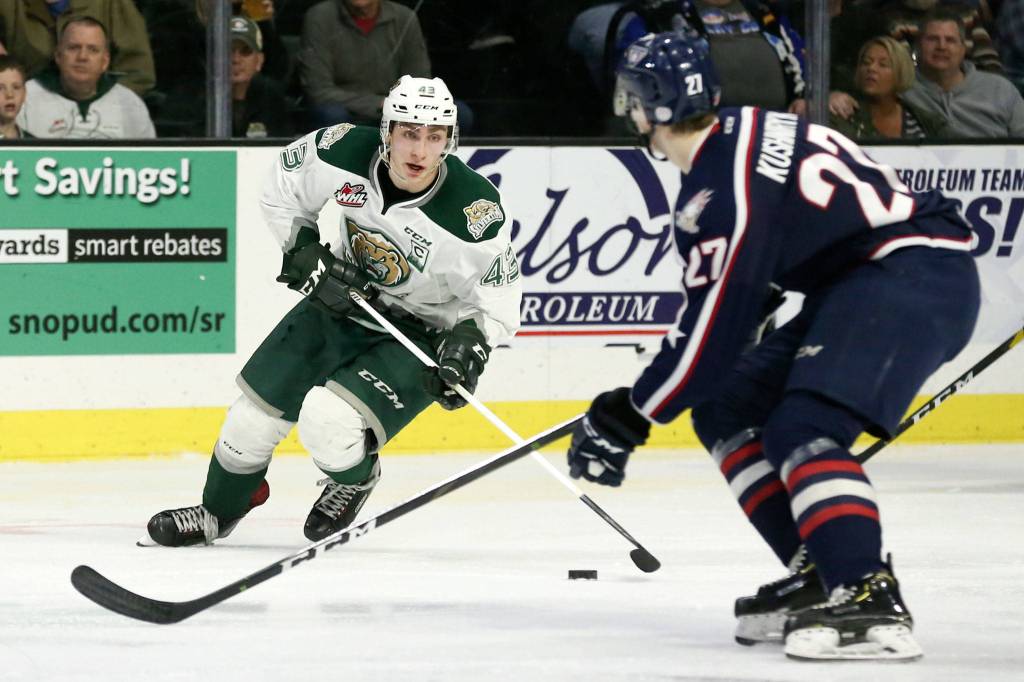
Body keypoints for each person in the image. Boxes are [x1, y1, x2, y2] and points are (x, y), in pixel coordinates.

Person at [567, 31, 979, 661]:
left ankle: (864, 593)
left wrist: (631, 412)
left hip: (907, 274)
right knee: (726, 407)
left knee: (803, 427)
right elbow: (754, 288)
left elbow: (712, 337)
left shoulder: (716, 194)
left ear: (649, 107)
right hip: (873, 277)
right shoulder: (743, 130)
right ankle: (822, 565)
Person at [144, 75, 521, 547]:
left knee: (328, 420)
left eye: (434, 136)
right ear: (386, 131)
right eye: (408, 133)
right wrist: (302, 248)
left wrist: (468, 347)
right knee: (249, 421)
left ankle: (355, 479)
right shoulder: (341, 149)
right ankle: (217, 513)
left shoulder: (472, 213)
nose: (420, 150)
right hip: (343, 298)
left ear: (450, 139)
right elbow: (282, 189)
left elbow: (496, 299)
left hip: (419, 333)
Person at [16, 15, 155, 138]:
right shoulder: (26, 98)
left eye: (93, 50)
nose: (82, 57)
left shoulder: (129, 103)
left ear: (105, 61)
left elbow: (148, 157)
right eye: (74, 48)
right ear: (58, 56)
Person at [299, 0, 431, 128]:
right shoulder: (320, 17)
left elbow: (420, 84)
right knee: (331, 114)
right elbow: (318, 90)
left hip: (394, 112)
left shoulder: (404, 18)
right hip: (343, 110)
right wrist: (379, 103)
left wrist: (396, 106)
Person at [901, 10, 1024, 137]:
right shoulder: (902, 89)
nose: (941, 46)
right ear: (918, 46)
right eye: (933, 39)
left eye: (950, 40)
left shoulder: (1000, 89)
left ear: (963, 49)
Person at [0, 0, 156, 96]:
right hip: (26, 112)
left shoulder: (109, 4)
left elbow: (137, 72)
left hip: (103, 116)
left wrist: (105, 105)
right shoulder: (9, 6)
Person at [829, 36, 948, 140]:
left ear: (900, 72)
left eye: (883, 64)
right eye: (866, 62)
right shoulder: (844, 114)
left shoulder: (923, 121)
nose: (871, 68)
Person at [227, 16, 291, 137]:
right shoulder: (203, 100)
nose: (235, 59)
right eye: (228, 51)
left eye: (245, 51)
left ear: (259, 61)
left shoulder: (271, 98)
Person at [0, 55, 32, 139]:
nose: (10, 95)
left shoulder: (33, 144)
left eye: (16, 87)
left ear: (24, 93)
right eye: (0, 88)